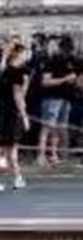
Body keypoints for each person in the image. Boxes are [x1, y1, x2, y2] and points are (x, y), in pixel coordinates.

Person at [0, 42, 31, 192]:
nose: (26, 57)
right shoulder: (16, 73)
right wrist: (24, 115)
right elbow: (18, 96)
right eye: (25, 54)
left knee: (11, 147)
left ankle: (17, 177)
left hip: (4, 111)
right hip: (11, 113)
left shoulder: (5, 71)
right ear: (19, 54)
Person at [37, 37, 77, 167]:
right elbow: (45, 82)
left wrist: (73, 81)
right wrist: (65, 79)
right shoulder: (51, 61)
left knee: (59, 128)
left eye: (69, 50)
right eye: (66, 50)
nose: (68, 53)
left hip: (66, 99)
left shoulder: (71, 61)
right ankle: (41, 155)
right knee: (47, 127)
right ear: (60, 49)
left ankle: (53, 154)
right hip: (52, 98)